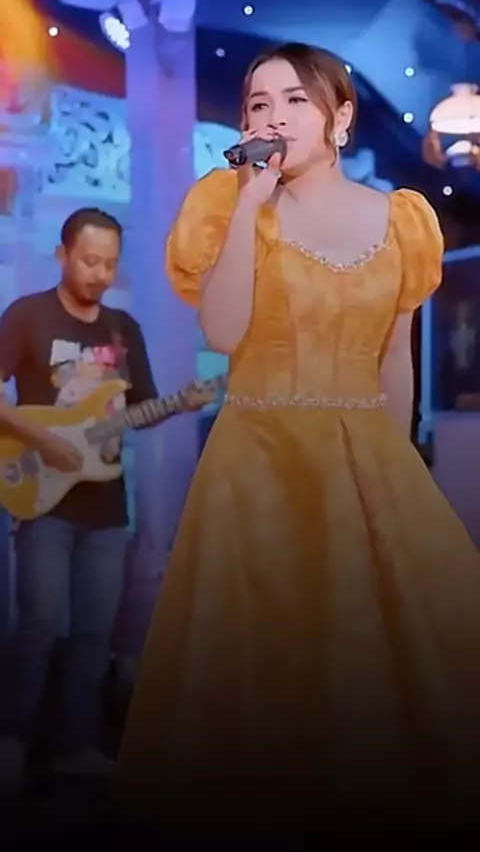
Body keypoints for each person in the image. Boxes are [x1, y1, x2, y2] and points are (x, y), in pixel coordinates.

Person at [115, 43, 480, 837]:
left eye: (295, 101)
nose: (274, 118)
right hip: (259, 462)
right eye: (258, 104)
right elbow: (222, 331)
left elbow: (394, 360)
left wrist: (397, 468)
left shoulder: (403, 221)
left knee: (379, 658)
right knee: (262, 661)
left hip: (368, 459)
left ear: (341, 117)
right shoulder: (229, 205)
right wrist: (251, 203)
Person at [0, 207, 201, 795]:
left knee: (94, 631)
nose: (100, 273)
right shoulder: (27, 315)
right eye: (89, 261)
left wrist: (182, 403)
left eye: (110, 264)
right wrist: (47, 442)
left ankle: (76, 746)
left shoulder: (122, 329)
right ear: (63, 255)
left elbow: (141, 409)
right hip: (42, 494)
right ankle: (11, 741)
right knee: (38, 624)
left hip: (106, 503)